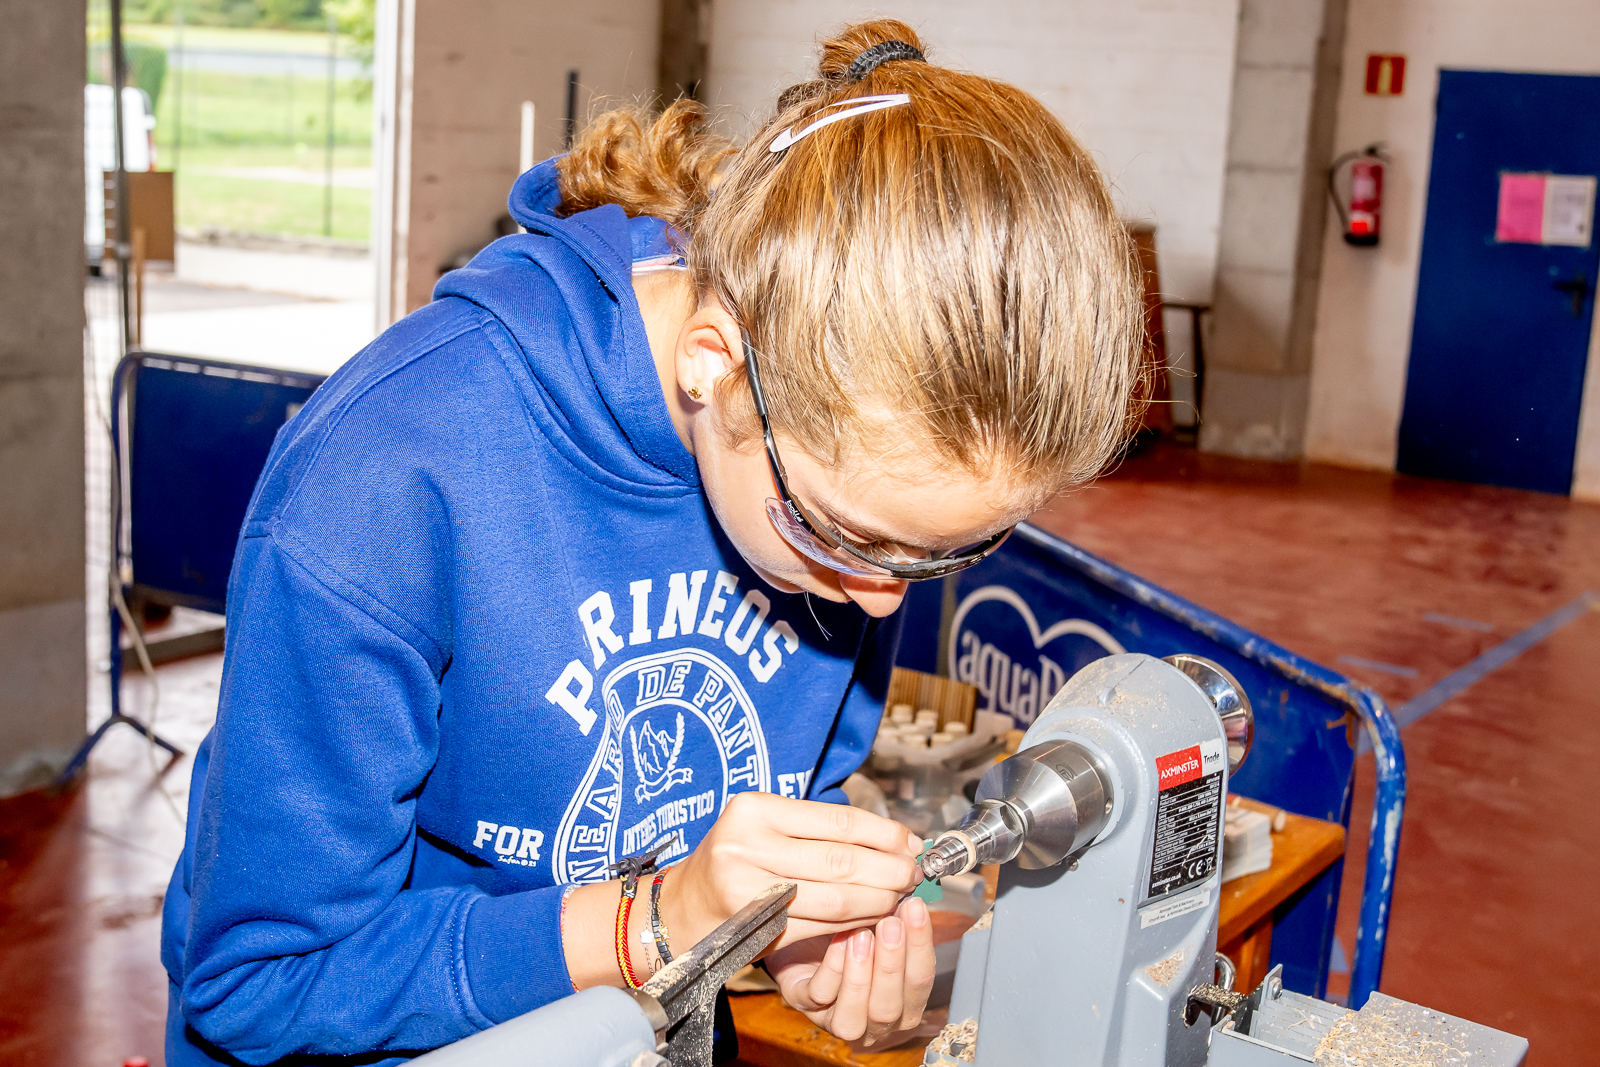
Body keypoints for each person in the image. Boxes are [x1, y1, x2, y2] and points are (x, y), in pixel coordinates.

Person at [160, 18, 1144, 1067]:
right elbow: (256, 981)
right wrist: (656, 922)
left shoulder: (842, 497)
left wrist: (783, 934)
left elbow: (741, 840)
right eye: (842, 535)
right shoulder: (392, 470)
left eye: (941, 556)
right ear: (714, 362)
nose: (879, 605)